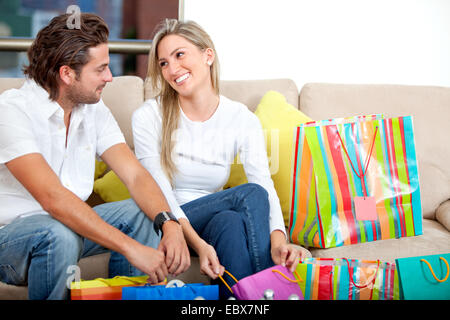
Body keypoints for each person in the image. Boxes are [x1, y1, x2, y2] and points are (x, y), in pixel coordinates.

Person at [0, 13, 190, 300]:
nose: (109, 77)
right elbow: (53, 198)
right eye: (100, 69)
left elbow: (135, 175)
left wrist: (169, 222)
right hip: (12, 240)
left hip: (65, 227)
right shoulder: (12, 112)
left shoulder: (92, 110)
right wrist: (131, 247)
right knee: (56, 234)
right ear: (67, 74)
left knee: (141, 213)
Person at [132, 19, 308, 298]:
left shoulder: (241, 119)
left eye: (179, 55)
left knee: (230, 221)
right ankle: (268, 293)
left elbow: (264, 182)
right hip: (167, 222)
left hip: (213, 219)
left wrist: (278, 240)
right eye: (163, 63)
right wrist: (198, 245)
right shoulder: (149, 116)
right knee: (249, 194)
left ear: (208, 55)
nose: (172, 69)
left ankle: (240, 301)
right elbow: (159, 191)